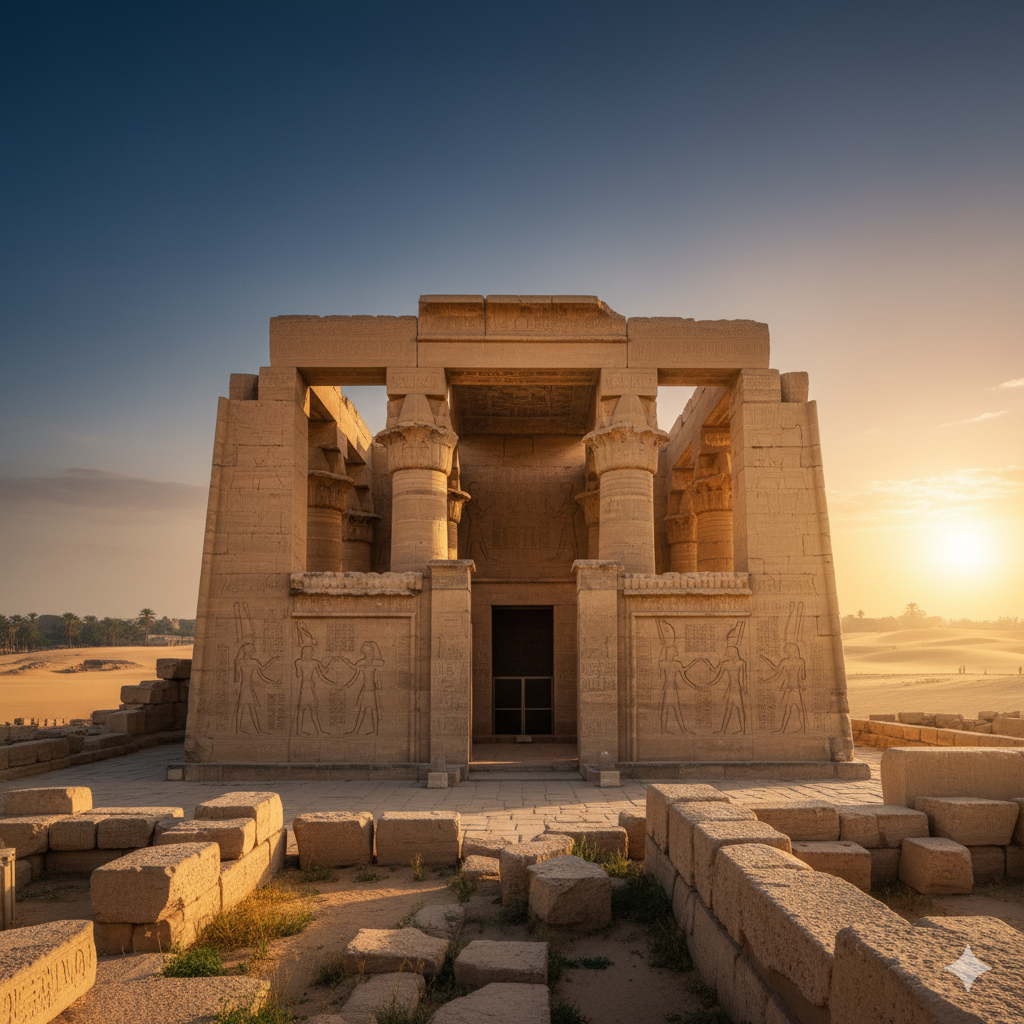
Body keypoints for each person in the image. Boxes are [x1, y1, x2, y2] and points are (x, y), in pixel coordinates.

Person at [335, 641, 385, 736]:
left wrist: (372, 662)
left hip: (372, 690)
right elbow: (354, 669)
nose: (366, 649)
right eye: (365, 647)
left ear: (371, 650)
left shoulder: (375, 662)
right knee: (362, 710)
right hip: (365, 689)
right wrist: (343, 659)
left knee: (374, 710)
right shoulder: (362, 662)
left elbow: (381, 662)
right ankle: (356, 731)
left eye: (368, 647)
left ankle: (375, 732)